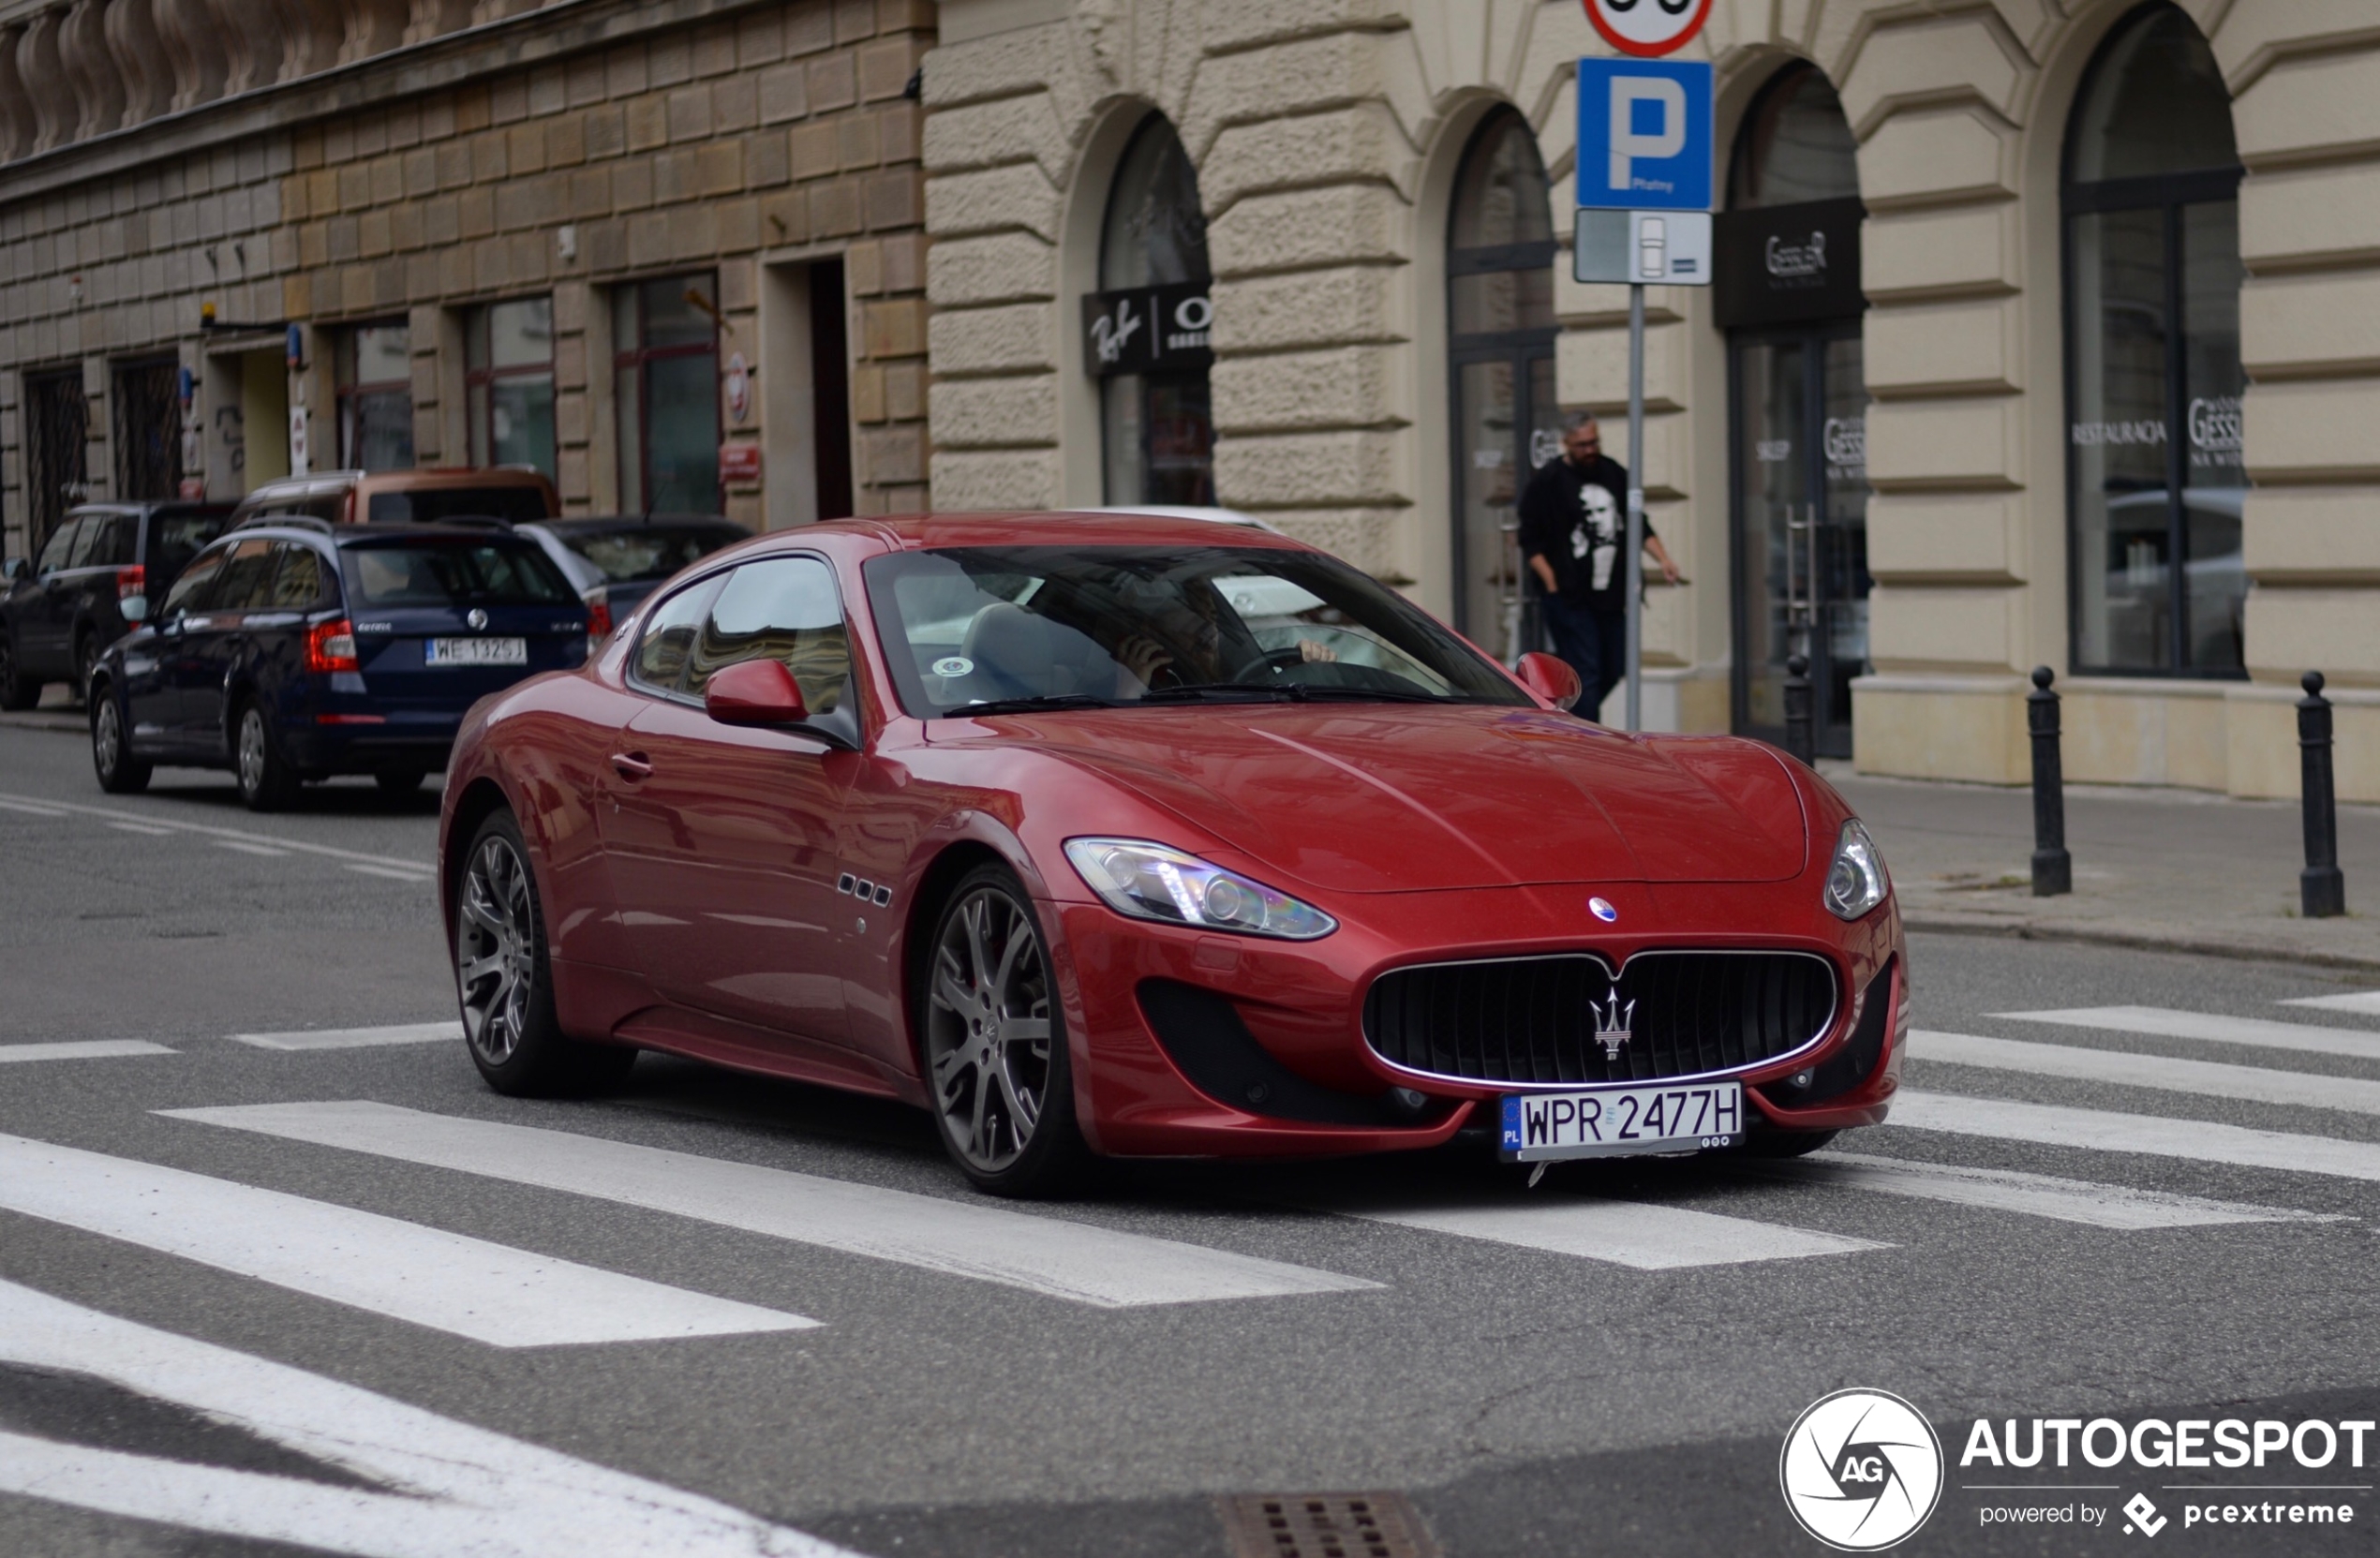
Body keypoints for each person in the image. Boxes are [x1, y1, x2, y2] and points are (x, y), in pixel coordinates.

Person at [1517, 411, 1679, 718]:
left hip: (1611, 596)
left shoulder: (1613, 474)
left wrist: (1664, 560)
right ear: (1566, 443)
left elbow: (1637, 525)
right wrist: (1551, 583)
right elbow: (1530, 540)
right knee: (1587, 670)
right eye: (1582, 445)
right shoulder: (1547, 483)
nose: (1590, 450)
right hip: (1569, 597)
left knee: (1615, 666)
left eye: (1594, 442)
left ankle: (1565, 714)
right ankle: (1588, 738)